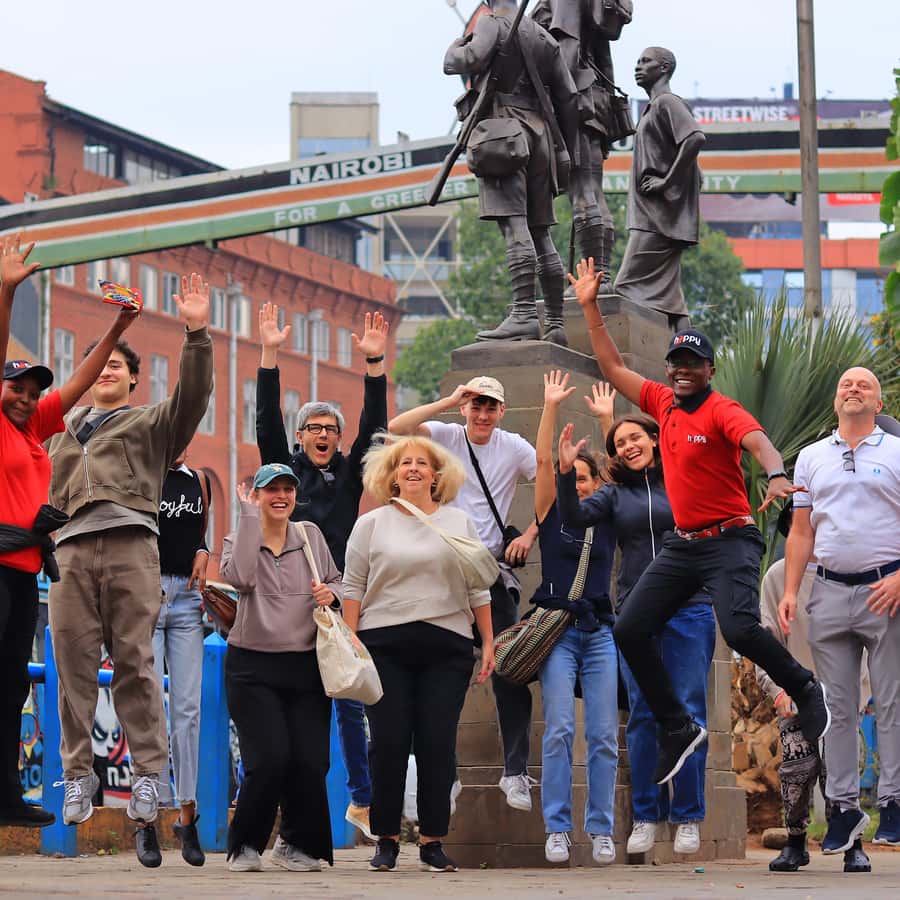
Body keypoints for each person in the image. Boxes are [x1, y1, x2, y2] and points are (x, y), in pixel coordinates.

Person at [568, 257, 828, 788]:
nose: (682, 370)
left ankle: (803, 688)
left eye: (693, 364)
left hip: (731, 538)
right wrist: (591, 307)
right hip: (683, 546)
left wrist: (776, 474)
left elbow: (757, 441)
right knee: (631, 627)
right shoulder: (662, 402)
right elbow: (613, 369)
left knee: (735, 627)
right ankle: (677, 725)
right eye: (676, 363)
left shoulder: (722, 410)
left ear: (709, 370)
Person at [46, 273, 213, 867]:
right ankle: (76, 776)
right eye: (100, 363)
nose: (108, 368)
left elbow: (193, 399)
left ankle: (148, 775)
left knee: (137, 661)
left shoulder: (150, 424)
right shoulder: (58, 430)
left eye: (119, 363)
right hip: (68, 549)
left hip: (131, 545)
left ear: (136, 377)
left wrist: (195, 332)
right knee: (72, 665)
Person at [0, 236, 137, 829]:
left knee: (11, 692)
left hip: (24, 572)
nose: (26, 399)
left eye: (33, 393)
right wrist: (6, 289)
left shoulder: (35, 431)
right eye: (16, 389)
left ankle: (5, 797)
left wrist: (118, 326)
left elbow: (78, 384)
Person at [557, 390, 716, 858]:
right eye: (619, 441)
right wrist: (567, 472)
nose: (628, 445)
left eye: (635, 437)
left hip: (689, 606)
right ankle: (647, 814)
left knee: (689, 709)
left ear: (654, 438)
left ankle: (688, 816)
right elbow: (572, 516)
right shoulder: (613, 493)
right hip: (635, 612)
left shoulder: (683, 478)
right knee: (644, 712)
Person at [255, 301, 388, 841]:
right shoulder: (285, 475)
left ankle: (361, 799)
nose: (323, 434)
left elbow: (375, 429)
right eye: (313, 428)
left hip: (335, 596)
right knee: (293, 705)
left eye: (330, 427)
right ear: (301, 436)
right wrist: (268, 353)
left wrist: (374, 366)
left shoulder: (350, 475)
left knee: (350, 697)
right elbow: (266, 423)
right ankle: (282, 807)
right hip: (285, 598)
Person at [342, 436, 495, 873]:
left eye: (421, 463)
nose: (412, 469)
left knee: (437, 744)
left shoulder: (459, 522)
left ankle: (432, 841)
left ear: (435, 474)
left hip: (447, 647)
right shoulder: (370, 524)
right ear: (390, 475)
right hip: (384, 646)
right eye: (403, 463)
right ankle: (385, 839)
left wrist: (487, 641)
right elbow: (353, 587)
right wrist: (351, 641)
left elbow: (477, 587)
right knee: (388, 743)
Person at [389, 377, 539, 812]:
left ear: (502, 411)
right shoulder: (447, 435)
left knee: (510, 667)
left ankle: (514, 773)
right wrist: (450, 400)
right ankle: (446, 775)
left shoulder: (512, 446)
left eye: (490, 407)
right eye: (476, 405)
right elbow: (398, 426)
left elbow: (553, 479)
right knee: (444, 672)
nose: (482, 414)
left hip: (489, 568)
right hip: (442, 567)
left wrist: (530, 532)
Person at [780, 367, 900, 859]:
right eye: (845, 384)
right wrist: (789, 590)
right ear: (835, 401)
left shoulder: (895, 451)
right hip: (828, 592)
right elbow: (802, 531)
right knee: (837, 710)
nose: (853, 389)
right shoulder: (811, 457)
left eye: (863, 385)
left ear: (878, 402)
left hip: (886, 588)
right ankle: (844, 809)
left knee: (892, 702)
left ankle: (893, 801)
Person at [222, 463, 343, 873]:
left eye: (287, 488)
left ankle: (295, 842)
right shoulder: (239, 537)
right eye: (271, 489)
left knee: (310, 761)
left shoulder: (310, 536)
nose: (281, 496)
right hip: (251, 666)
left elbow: (339, 581)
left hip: (307, 664)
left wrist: (333, 593)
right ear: (256, 495)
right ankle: (245, 845)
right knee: (270, 757)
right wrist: (248, 518)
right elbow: (238, 577)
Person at [443, 0, 579, 342]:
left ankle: (523, 314)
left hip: (503, 135)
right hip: (541, 137)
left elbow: (457, 62)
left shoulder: (491, 24)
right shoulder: (544, 37)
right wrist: (564, 147)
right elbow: (569, 96)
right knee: (540, 231)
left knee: (516, 226)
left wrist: (458, 43)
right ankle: (557, 323)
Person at [532, 371, 618, 866]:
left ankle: (601, 828)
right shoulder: (551, 512)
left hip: (600, 632)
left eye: (588, 479)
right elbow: (544, 460)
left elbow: (620, 473)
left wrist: (608, 420)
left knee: (604, 734)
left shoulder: (606, 513)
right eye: (576, 479)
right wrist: (549, 409)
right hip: (558, 634)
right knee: (561, 728)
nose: (582, 486)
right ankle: (558, 827)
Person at [760, 503, 871, 874]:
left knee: (843, 768)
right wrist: (777, 690)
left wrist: (864, 694)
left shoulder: (855, 576)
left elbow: (871, 641)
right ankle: (795, 842)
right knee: (797, 769)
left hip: (843, 693)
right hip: (796, 696)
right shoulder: (777, 578)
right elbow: (764, 642)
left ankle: (853, 844)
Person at [533, 0, 632, 285]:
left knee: (584, 193)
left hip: (573, 98)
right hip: (593, 98)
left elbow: (567, 47)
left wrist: (556, 108)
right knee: (593, 194)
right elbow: (606, 62)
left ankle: (595, 281)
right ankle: (602, 276)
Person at [614, 47, 706, 329]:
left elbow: (694, 139)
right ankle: (687, 352)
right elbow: (696, 172)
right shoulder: (653, 107)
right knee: (670, 300)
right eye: (637, 61)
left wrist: (667, 182)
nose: (638, 66)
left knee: (625, 285)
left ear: (664, 67)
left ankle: (642, 353)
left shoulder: (668, 102)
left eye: (646, 61)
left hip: (657, 218)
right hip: (652, 214)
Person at [152, 452, 211, 866]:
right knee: (150, 707)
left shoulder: (200, 481)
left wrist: (204, 550)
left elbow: (198, 534)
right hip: (146, 596)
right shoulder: (143, 474)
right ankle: (148, 819)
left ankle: (186, 815)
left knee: (188, 710)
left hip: (189, 601)